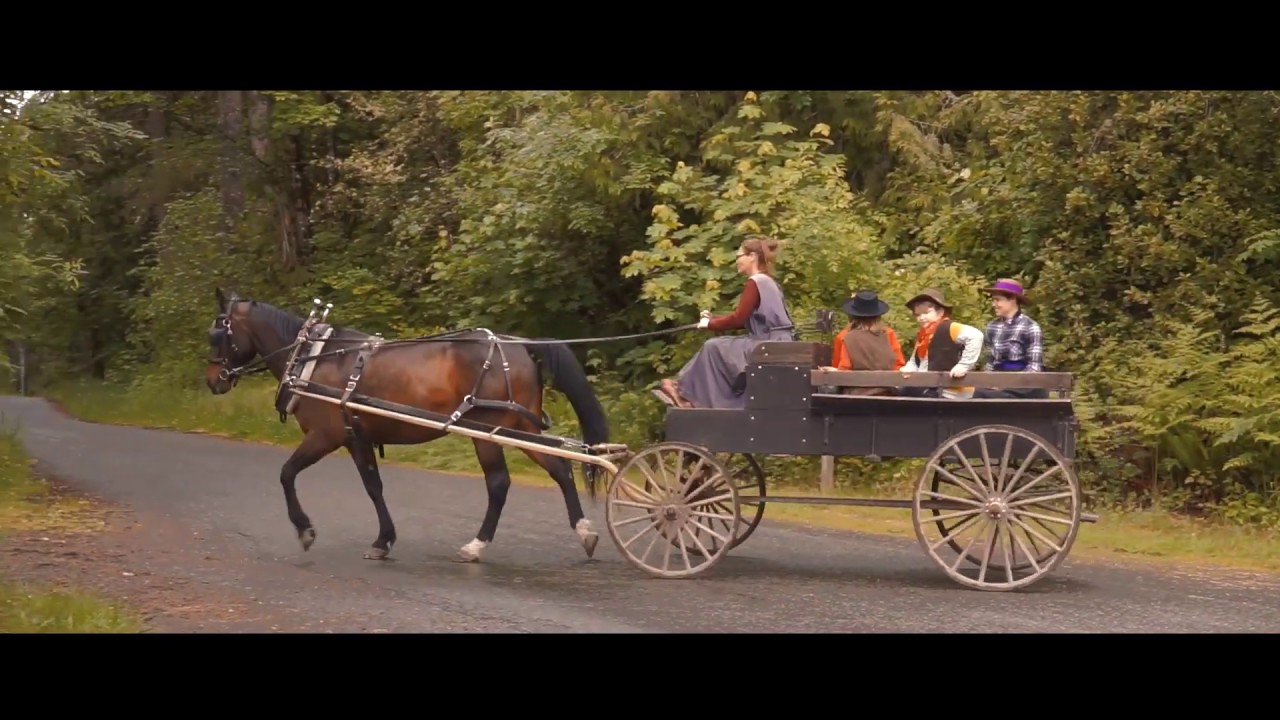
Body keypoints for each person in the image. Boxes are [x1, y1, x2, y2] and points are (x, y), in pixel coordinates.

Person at [657, 235, 795, 409]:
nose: (737, 261)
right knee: (720, 346)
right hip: (777, 341)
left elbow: (738, 318)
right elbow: (743, 319)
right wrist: (713, 319)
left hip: (767, 344)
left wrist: (709, 325)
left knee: (713, 347)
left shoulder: (755, 282)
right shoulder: (768, 282)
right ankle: (689, 392)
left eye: (739, 256)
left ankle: (685, 393)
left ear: (752, 256)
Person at [898, 287, 984, 398]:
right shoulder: (923, 335)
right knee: (902, 391)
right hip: (929, 387)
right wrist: (908, 370)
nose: (921, 317)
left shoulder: (949, 327)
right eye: (918, 314)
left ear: (940, 312)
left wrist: (964, 365)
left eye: (926, 312)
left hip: (951, 390)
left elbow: (976, 336)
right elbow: (916, 361)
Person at [820, 290, 905, 396]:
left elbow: (844, 369)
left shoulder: (846, 337)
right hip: (887, 393)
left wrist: (834, 371)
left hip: (857, 395)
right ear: (878, 315)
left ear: (852, 316)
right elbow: (898, 365)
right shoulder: (888, 334)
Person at [973, 278, 1047, 399]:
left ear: (1013, 299)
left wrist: (1008, 383)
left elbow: (1034, 367)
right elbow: (991, 362)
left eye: (998, 300)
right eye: (993, 300)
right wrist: (989, 381)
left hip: (1025, 385)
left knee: (998, 396)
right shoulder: (992, 326)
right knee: (977, 393)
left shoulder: (1030, 327)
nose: (994, 304)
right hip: (999, 380)